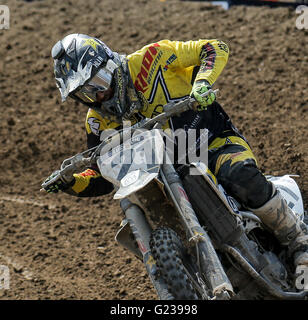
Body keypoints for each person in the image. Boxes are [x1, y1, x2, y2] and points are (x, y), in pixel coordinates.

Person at [44, 33, 308, 268]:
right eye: (87, 93)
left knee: (240, 174)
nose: (98, 95)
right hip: (163, 178)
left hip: (214, 143)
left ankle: (298, 240)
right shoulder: (96, 121)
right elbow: (102, 173)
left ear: (111, 63)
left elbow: (215, 47)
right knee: (143, 220)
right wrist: (72, 182)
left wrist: (202, 81)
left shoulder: (153, 58)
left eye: (99, 82)